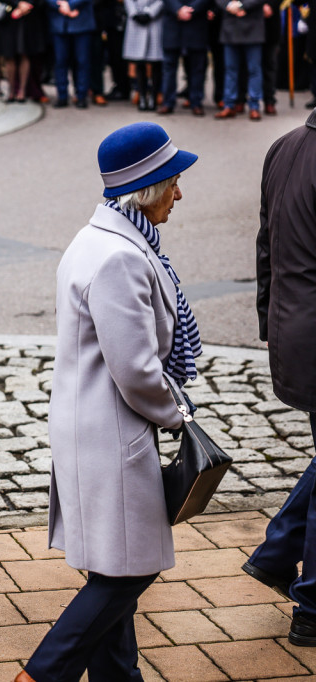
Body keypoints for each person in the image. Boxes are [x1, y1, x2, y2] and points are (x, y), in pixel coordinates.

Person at [17, 121, 199, 682]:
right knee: (126, 575)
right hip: (113, 435)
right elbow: (138, 372)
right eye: (173, 181)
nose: (180, 192)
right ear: (147, 187)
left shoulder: (101, 238)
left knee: (115, 569)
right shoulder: (121, 256)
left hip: (93, 428)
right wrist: (181, 417)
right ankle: (42, 675)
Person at [243, 108, 316, 648]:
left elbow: (267, 244)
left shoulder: (286, 146)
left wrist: (271, 318)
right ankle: (311, 604)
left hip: (295, 327)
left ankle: (274, 555)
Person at [213, 0, 264, 119]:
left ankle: (254, 106)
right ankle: (229, 105)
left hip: (253, 25)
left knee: (254, 69)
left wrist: (242, 6)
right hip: (230, 26)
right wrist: (229, 5)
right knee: (230, 69)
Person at [159, 0, 208, 115]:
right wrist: (178, 9)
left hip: (196, 25)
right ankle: (168, 102)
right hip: (173, 25)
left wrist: (192, 9)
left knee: (197, 69)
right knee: (169, 69)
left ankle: (196, 102)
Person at [0, 0, 47, 102]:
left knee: (24, 53)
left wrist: (26, 6)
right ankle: (11, 91)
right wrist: (17, 4)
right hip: (8, 16)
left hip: (28, 17)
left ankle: (22, 92)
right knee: (9, 55)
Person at [47, 0, 96, 107]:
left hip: (81, 20)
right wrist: (60, 6)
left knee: (82, 61)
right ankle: (62, 95)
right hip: (59, 23)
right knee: (60, 61)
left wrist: (70, 5)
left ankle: (81, 95)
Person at [123, 0, 163, 110]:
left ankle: (153, 98)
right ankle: (141, 96)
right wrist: (134, 13)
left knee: (156, 62)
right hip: (135, 22)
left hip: (154, 22)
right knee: (139, 62)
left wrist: (150, 13)